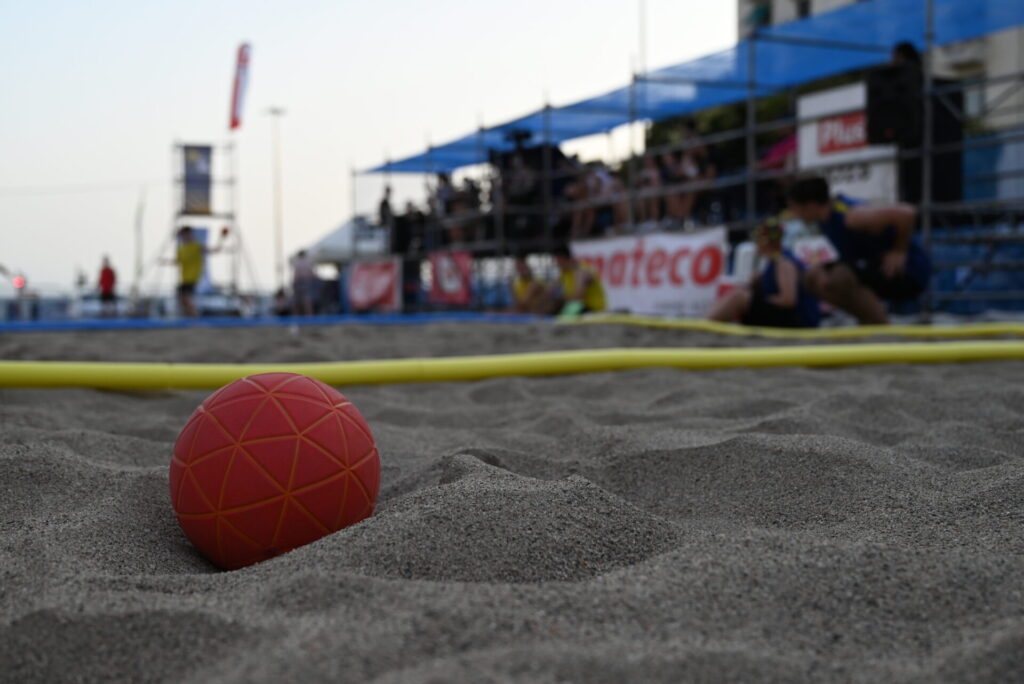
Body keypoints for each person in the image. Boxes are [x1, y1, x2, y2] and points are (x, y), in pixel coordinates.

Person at [786, 177, 930, 324]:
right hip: (874, 267)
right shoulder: (826, 218)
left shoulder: (851, 216)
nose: (793, 213)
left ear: (810, 205)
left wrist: (899, 251)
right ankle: (870, 319)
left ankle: (878, 323)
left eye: (794, 208)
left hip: (907, 271)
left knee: (839, 276)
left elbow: (906, 213)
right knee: (813, 277)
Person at [709, 218, 820, 328]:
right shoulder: (776, 260)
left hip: (797, 320)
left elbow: (788, 300)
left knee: (740, 296)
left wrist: (758, 298)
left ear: (767, 243)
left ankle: (708, 324)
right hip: (790, 315)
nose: (756, 246)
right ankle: (708, 321)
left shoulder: (783, 263)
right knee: (740, 292)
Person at [167, 226, 225, 318]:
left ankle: (195, 317)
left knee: (186, 298)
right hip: (184, 278)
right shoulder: (181, 249)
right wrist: (165, 262)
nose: (185, 237)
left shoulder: (196, 246)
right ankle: (192, 315)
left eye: (187, 234)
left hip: (192, 277)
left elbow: (215, 250)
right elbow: (176, 261)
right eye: (183, 235)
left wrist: (222, 238)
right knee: (182, 299)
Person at [552, 244, 606, 314]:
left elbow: (578, 298)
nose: (555, 264)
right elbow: (550, 292)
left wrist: (561, 299)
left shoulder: (581, 271)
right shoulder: (564, 273)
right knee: (551, 304)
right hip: (581, 307)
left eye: (555, 261)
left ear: (561, 259)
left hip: (593, 309)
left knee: (571, 307)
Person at [290, 249, 318, 316]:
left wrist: (294, 283)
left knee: (297, 302)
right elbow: (312, 274)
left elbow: (296, 275)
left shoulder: (297, 262)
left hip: (299, 282)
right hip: (307, 282)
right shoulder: (308, 262)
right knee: (307, 301)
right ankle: (309, 317)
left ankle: (297, 317)